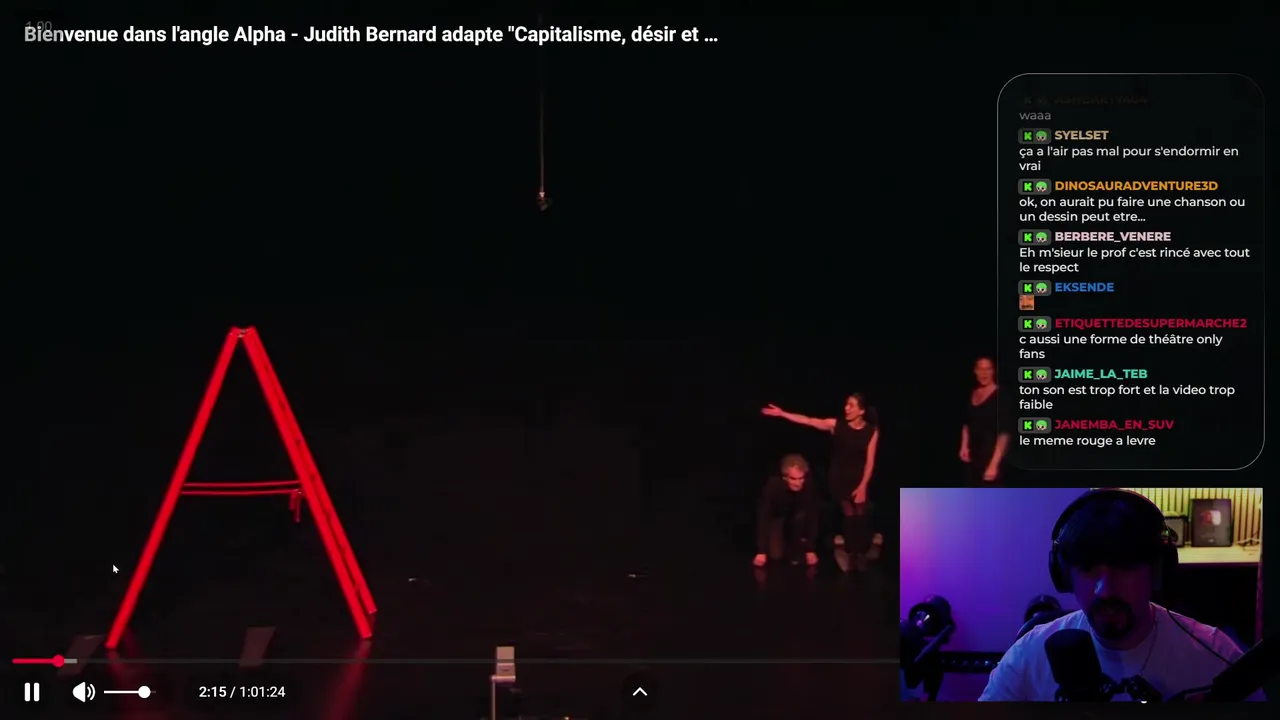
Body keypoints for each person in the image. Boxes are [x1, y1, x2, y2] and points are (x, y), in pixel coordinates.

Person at [979, 489, 1264, 702]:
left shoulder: (1216, 656)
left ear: (1156, 573)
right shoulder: (1028, 656)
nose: (1105, 590)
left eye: (1125, 567)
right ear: (1064, 575)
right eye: (1088, 569)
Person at [761, 394, 879, 572]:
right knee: (849, 512)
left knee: (860, 513)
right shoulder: (836, 425)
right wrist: (783, 413)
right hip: (839, 477)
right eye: (846, 404)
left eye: (851, 405)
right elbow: (808, 420)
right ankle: (850, 553)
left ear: (861, 410)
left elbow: (870, 462)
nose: (846, 408)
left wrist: (863, 486)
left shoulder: (871, 431)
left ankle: (861, 551)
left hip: (858, 477)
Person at [753, 454, 819, 568]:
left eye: (801, 478)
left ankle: (796, 546)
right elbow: (764, 516)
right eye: (793, 478)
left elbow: (813, 517)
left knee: (801, 517)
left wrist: (810, 549)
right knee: (776, 555)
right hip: (776, 516)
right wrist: (761, 551)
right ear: (785, 477)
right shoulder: (773, 486)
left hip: (797, 517)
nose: (798, 483)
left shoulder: (808, 485)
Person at [959, 357, 1009, 485]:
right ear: (975, 371)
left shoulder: (1001, 395)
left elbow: (1004, 434)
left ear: (993, 371)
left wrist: (994, 465)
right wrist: (964, 446)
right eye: (980, 369)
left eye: (988, 369)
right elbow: (966, 423)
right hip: (972, 457)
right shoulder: (972, 393)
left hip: (992, 456)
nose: (984, 373)